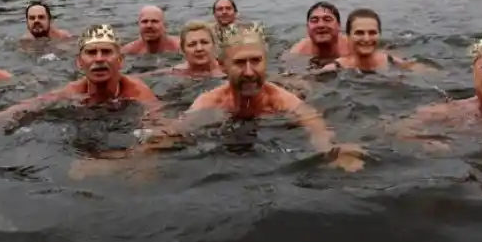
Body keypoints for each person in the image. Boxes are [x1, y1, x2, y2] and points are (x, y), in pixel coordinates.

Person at [83, 26, 364, 174]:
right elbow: (173, 132)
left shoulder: (281, 99)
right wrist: (129, 159)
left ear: (266, 62)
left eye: (256, 61)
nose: (250, 72)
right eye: (240, 63)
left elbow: (315, 125)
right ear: (224, 66)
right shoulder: (211, 101)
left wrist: (334, 151)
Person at [0, 24, 162, 142]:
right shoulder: (72, 91)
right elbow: (24, 107)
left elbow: (162, 129)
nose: (99, 59)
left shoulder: (137, 92)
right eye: (92, 53)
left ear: (120, 60)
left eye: (106, 52)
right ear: (79, 62)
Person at [314, 8, 431, 74]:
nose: (366, 39)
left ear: (379, 35)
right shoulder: (334, 69)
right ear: (348, 37)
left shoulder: (391, 61)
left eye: (372, 33)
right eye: (359, 33)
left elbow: (428, 73)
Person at [141, 21, 223, 77]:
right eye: (192, 45)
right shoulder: (178, 72)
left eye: (204, 42)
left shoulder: (226, 70)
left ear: (214, 45)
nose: (199, 48)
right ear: (183, 50)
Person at [287, 1, 351, 66]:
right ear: (307, 27)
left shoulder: (351, 47)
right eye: (314, 20)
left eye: (327, 20)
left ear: (339, 25)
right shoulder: (297, 53)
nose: (321, 25)